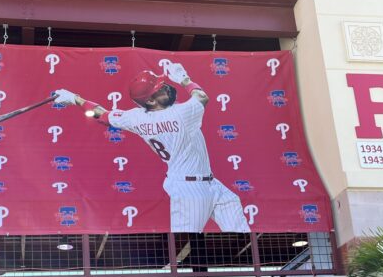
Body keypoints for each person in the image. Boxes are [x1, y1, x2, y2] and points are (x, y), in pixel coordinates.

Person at [53, 62, 250, 233]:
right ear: (150, 100)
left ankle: (255, 271)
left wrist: (74, 99)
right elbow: (202, 97)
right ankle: (183, 275)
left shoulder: (136, 117)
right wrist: (184, 79)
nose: (167, 88)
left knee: (233, 210)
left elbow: (102, 115)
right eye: (161, 89)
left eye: (164, 85)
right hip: (188, 188)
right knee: (185, 242)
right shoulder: (180, 114)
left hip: (209, 182)